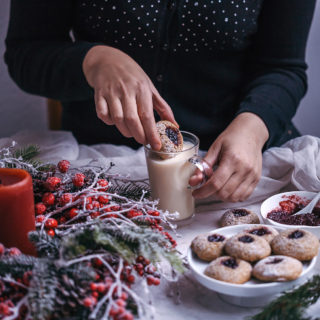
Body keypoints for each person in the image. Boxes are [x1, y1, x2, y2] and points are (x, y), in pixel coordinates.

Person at [4, 0, 316, 202]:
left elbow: (283, 67)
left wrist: (254, 126)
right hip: (102, 174)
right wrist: (93, 60)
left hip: (236, 167)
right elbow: (25, 54)